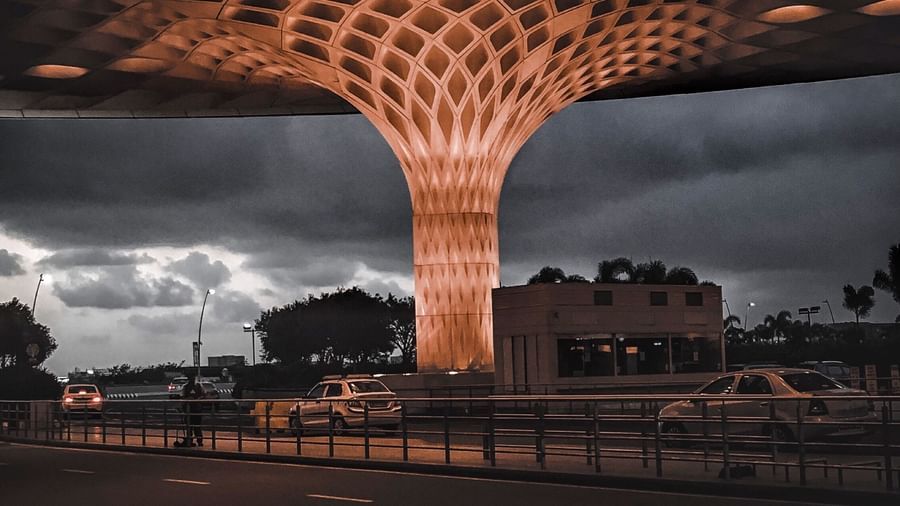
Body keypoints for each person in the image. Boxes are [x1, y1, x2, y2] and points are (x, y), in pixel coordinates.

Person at [180, 375, 204, 447]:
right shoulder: (188, 387)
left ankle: (196, 441)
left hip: (193, 409)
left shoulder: (197, 386)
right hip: (192, 409)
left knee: (194, 427)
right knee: (193, 427)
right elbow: (182, 397)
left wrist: (197, 399)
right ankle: (193, 441)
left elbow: (203, 395)